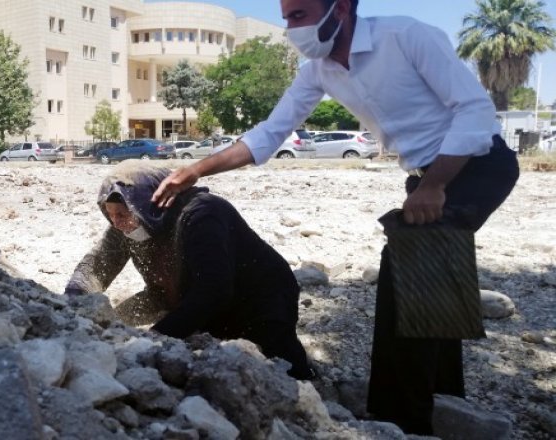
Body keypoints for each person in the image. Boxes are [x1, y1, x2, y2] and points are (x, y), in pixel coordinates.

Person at [151, 0, 519, 435]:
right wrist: (194, 169)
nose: (290, 28)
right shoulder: (318, 69)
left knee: (406, 281)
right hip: (425, 177)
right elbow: (270, 133)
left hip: (475, 164)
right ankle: (445, 402)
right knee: (432, 278)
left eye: (300, 16)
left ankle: (401, 419)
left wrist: (435, 186)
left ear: (341, 8)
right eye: (286, 18)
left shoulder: (406, 36)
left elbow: (475, 110)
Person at [65, 161, 315, 380]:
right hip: (183, 296)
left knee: (280, 360)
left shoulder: (203, 214)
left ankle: (309, 385)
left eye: (121, 213)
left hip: (260, 296)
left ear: (152, 202)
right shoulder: (129, 225)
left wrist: (154, 338)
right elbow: (96, 265)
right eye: (110, 216)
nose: (117, 223)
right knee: (115, 322)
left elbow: (213, 291)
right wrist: (70, 306)